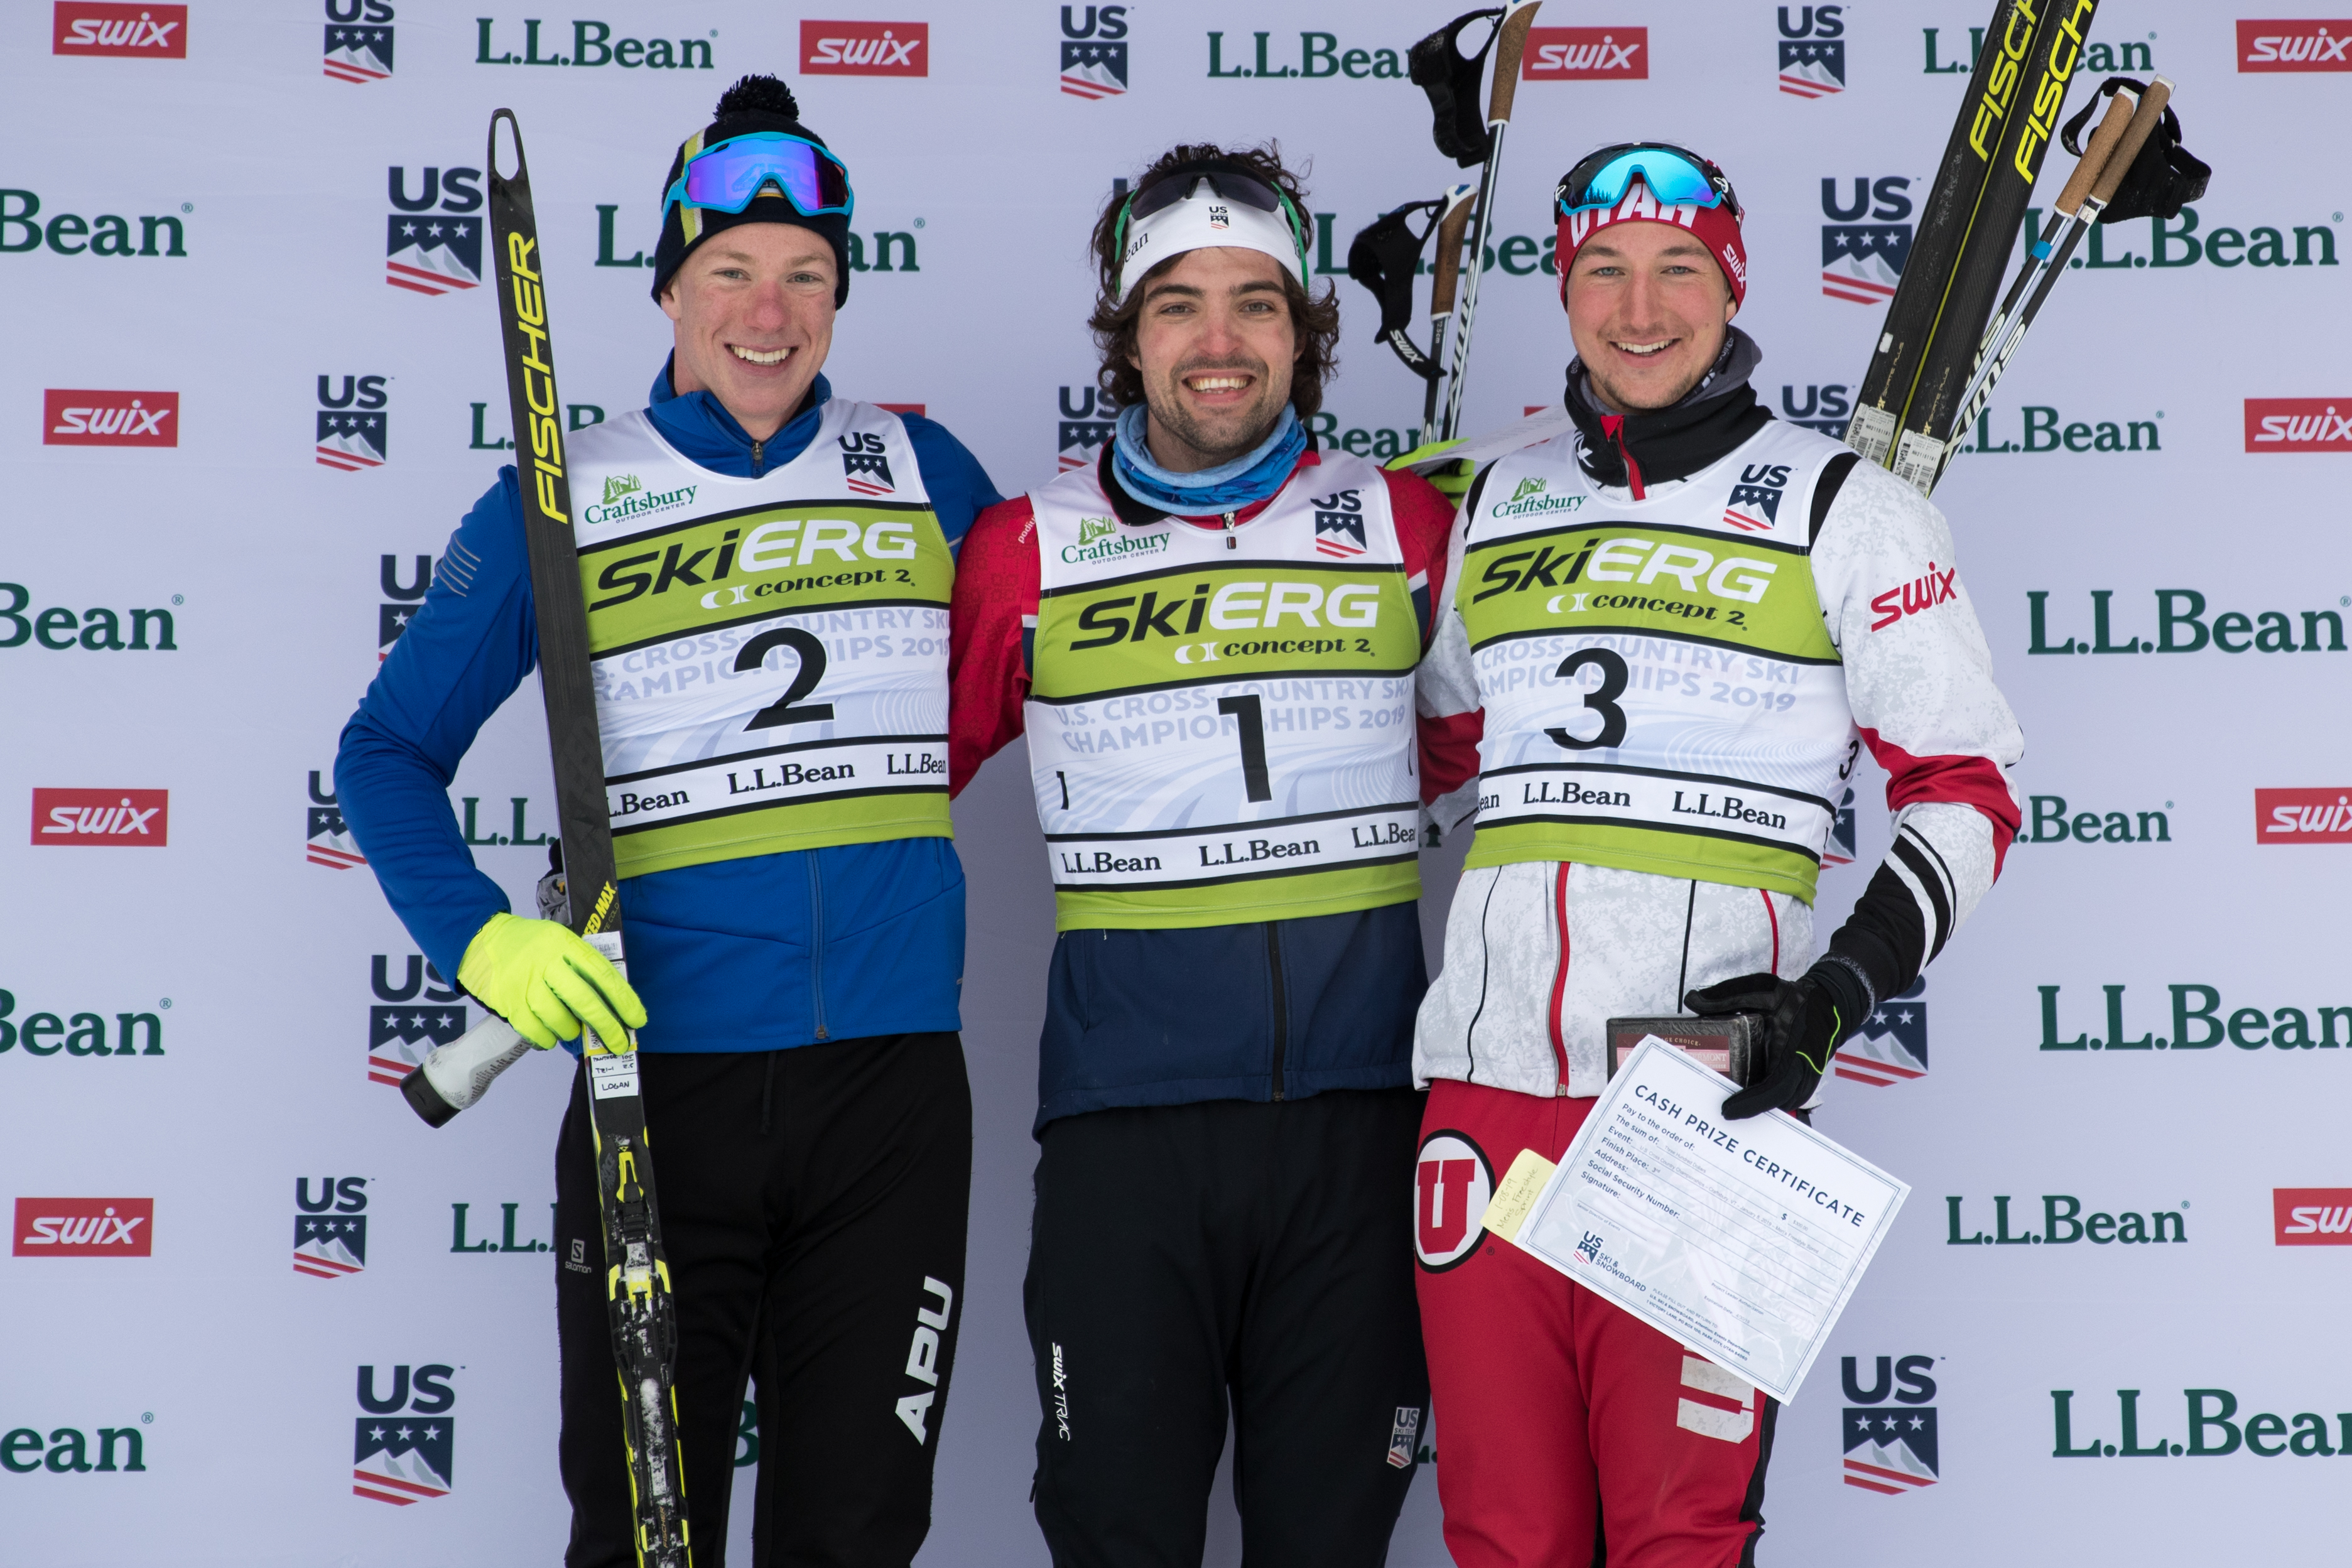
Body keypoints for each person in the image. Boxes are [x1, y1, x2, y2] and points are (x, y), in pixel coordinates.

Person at [335, 75, 1000, 1568]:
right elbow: (381, 751)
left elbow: (1063, 649)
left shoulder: (929, 473)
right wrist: (486, 943)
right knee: (646, 1534)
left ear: (840, 293)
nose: (768, 312)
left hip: (889, 1095)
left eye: (805, 277)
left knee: (857, 1530)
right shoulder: (562, 500)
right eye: (730, 275)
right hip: (662, 1083)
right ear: (669, 286)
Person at [1407, 144, 2025, 1566]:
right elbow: (1429, 763)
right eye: (1602, 270)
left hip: (1698, 1096)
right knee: (1503, 1537)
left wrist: (1836, 997)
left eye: (1678, 267)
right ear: (1560, 290)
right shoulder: (1493, 502)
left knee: (1681, 1537)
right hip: (1479, 1106)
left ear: (1731, 284)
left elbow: (1969, 787)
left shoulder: (1842, 507)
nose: (1640, 307)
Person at [946, 144, 1467, 1567]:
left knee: (1328, 1542)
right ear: (1125, 335)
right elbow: (890, 781)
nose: (1221, 341)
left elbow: (1482, 760)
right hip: (1128, 1135)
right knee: (1119, 1535)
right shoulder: (1023, 548)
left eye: (1258, 303)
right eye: (1178, 304)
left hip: (1361, 1132)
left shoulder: (1410, 528)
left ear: (1307, 333)